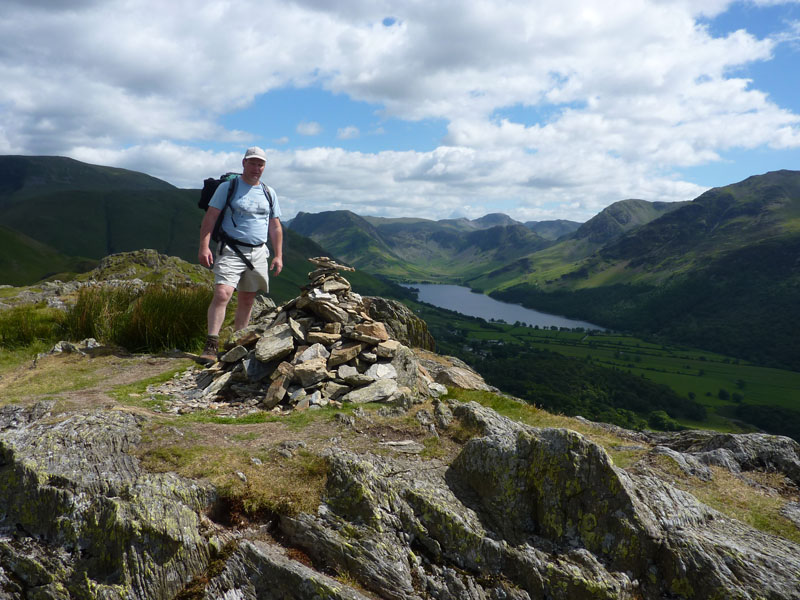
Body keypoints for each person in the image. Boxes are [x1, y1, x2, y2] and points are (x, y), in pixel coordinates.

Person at [198, 146, 283, 362]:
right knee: (222, 293)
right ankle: (211, 345)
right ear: (244, 163)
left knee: (247, 299)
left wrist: (278, 255)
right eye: (252, 163)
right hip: (231, 249)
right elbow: (210, 217)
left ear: (264, 167)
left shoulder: (268, 192)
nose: (256, 167)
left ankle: (237, 344)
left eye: (260, 164)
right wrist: (204, 246)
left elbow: (275, 226)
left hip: (258, 252)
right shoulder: (228, 187)